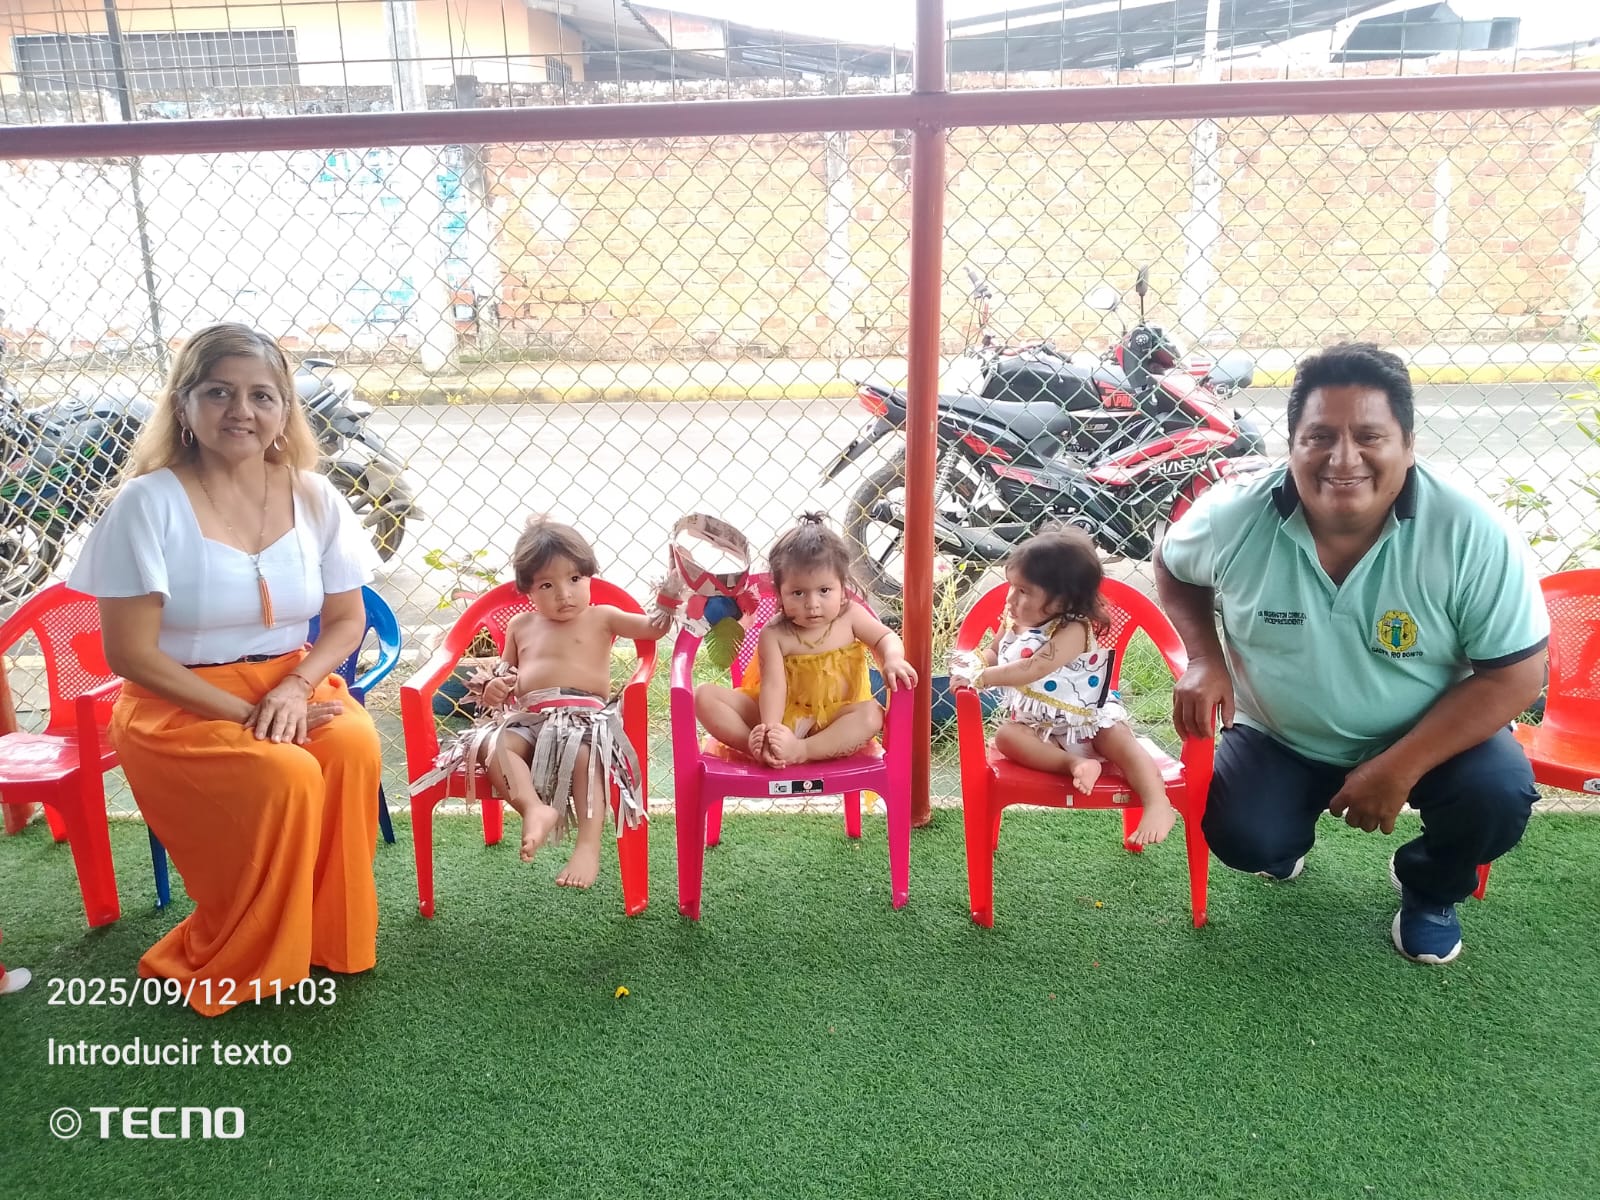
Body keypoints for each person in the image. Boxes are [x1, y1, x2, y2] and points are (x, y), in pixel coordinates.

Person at [1154, 342, 1547, 964]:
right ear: (1291, 447)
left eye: (1369, 436)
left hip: (1427, 734)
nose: (1342, 458)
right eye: (1319, 437)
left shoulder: (1472, 532)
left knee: (1496, 796)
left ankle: (1430, 888)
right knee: (1245, 838)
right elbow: (1173, 567)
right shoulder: (1235, 515)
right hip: (1281, 735)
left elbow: (1516, 676)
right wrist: (1204, 657)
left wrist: (1398, 768)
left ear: (1408, 445)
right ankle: (1282, 840)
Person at [68, 324, 381, 1016]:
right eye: (219, 392)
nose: (242, 410)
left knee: (354, 745)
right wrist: (249, 715)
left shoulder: (315, 496)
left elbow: (345, 621)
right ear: (184, 405)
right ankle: (245, 951)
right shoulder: (147, 503)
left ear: (284, 410)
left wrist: (295, 688)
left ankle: (328, 938)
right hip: (177, 704)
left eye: (262, 395)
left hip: (291, 684)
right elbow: (130, 655)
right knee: (285, 773)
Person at [413, 517, 672, 888]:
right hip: (530, 718)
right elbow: (504, 674)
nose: (564, 594)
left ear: (589, 577)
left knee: (584, 758)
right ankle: (533, 808)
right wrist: (496, 688)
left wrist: (671, 595)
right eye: (547, 585)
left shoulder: (603, 617)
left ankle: (588, 846)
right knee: (494, 745)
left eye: (575, 579)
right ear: (528, 591)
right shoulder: (520, 625)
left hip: (583, 721)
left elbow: (654, 629)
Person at [951, 527, 1177, 845]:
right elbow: (993, 651)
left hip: (1086, 720)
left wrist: (983, 678)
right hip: (1039, 726)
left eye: (1023, 591)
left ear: (1062, 600)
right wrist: (973, 666)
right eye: (1011, 586)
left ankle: (1157, 802)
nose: (1011, 598)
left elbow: (1034, 668)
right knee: (1006, 737)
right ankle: (1075, 764)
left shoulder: (1073, 630)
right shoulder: (1015, 621)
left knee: (1120, 741)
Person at [696, 513, 916, 768]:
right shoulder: (775, 633)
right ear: (780, 593)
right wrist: (771, 731)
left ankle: (802, 750)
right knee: (704, 696)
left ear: (842, 587)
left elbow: (885, 637)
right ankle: (757, 747)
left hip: (835, 721)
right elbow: (773, 686)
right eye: (798, 593)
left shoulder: (851, 616)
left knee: (872, 715)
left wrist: (893, 658)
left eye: (824, 591)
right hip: (781, 714)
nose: (812, 604)